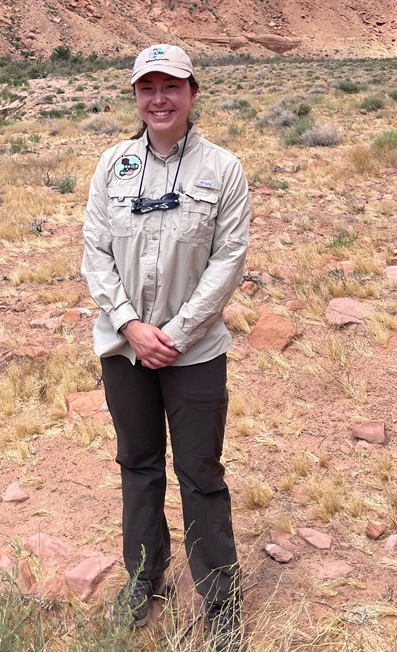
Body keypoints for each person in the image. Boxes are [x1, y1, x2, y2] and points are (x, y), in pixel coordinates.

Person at [82, 43, 250, 652]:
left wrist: (175, 334)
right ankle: (144, 579)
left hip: (195, 350)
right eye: (147, 88)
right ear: (135, 96)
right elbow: (94, 252)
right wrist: (130, 326)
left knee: (200, 472)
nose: (159, 99)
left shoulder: (223, 169)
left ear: (192, 93)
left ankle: (220, 596)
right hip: (126, 348)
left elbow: (229, 259)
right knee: (139, 464)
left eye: (171, 86)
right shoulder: (114, 165)